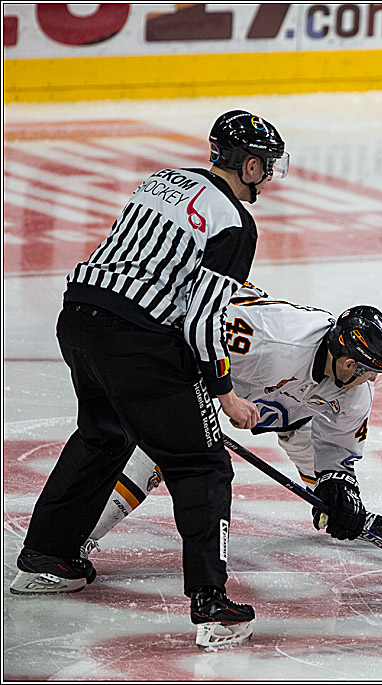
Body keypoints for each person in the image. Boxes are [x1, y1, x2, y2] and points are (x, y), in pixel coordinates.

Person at [11, 110, 288, 651]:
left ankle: (47, 558)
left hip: (79, 318)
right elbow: (206, 315)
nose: (269, 179)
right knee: (200, 462)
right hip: (136, 338)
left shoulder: (164, 179)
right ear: (249, 164)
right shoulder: (234, 221)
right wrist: (223, 390)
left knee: (104, 435)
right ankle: (211, 602)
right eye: (266, 168)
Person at [76, 284, 382, 559]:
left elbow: (337, 446)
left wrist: (339, 489)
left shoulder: (352, 390)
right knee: (173, 445)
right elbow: (199, 335)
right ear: (349, 364)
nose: (372, 380)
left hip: (265, 379)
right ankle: (79, 534)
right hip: (196, 342)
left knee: (299, 424)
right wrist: (220, 401)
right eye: (371, 372)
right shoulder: (276, 342)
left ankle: (322, 504)